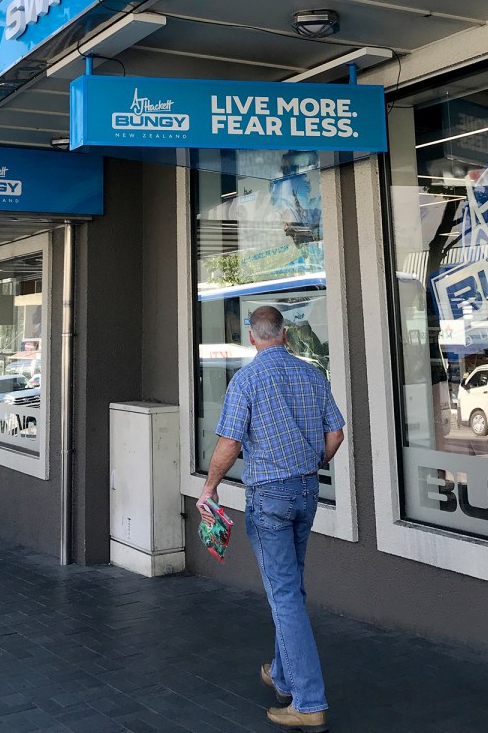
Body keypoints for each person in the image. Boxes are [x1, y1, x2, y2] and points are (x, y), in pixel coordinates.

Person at [197, 305, 345, 731]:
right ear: (284, 334)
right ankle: (282, 674)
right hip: (306, 491)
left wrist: (210, 487)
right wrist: (313, 461)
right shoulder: (313, 374)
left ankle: (309, 701)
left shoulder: (246, 380)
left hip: (270, 498)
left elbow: (229, 444)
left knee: (283, 596)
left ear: (252, 337)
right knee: (291, 588)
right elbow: (335, 433)